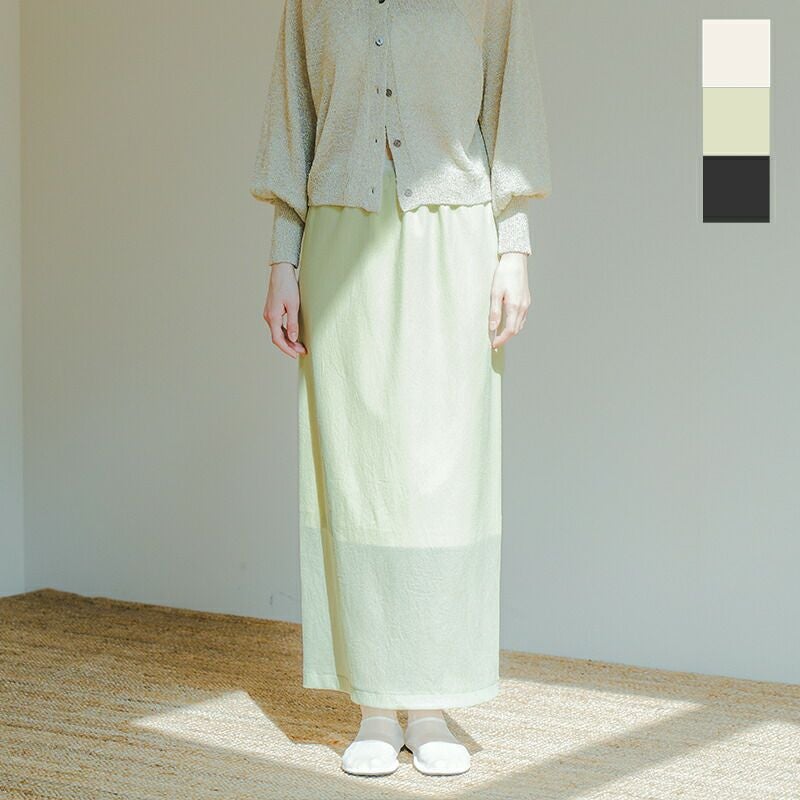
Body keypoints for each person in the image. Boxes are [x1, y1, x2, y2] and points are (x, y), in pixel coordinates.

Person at [250, 0, 552, 778]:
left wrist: (513, 249)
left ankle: (431, 702)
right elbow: (294, 121)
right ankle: (377, 705)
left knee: (444, 477)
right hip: (339, 238)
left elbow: (509, 110)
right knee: (359, 475)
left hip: (455, 237)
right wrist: (282, 260)